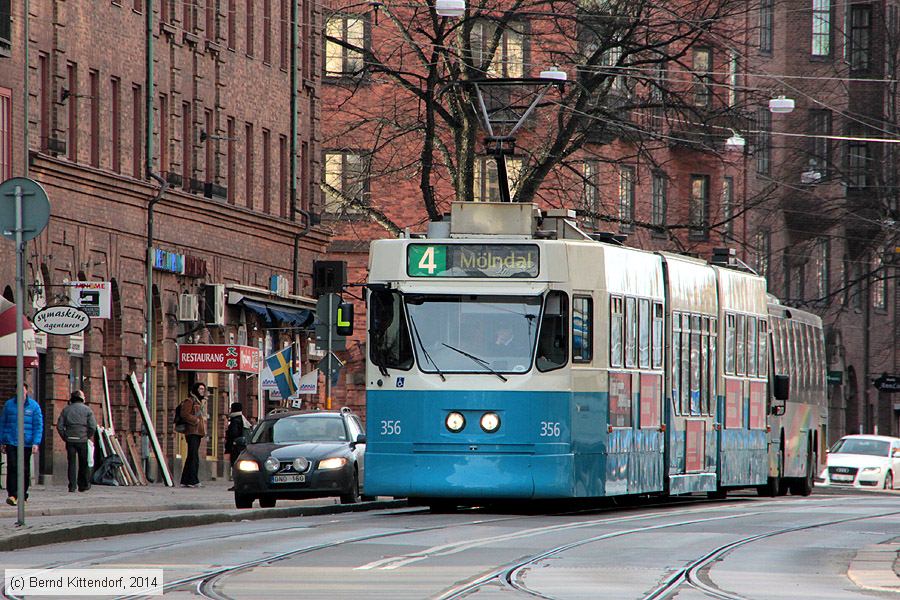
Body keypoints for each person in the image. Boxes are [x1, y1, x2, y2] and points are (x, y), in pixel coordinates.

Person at [0, 383, 44, 506]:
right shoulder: (9, 405)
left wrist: (36, 442)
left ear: (26, 392)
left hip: (26, 442)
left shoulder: (34, 407)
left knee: (24, 468)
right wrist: (2, 440)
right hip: (11, 441)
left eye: (22, 391)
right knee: (12, 467)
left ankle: (23, 494)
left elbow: (38, 425)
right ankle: (13, 494)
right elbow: (3, 423)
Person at [56, 390, 98, 493]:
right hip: (82, 439)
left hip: (70, 439)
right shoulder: (87, 410)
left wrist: (65, 436)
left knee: (71, 463)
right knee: (83, 462)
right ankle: (82, 484)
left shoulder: (66, 410)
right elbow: (92, 426)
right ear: (81, 398)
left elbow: (59, 426)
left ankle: (72, 485)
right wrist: (87, 435)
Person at [178, 382, 208, 488]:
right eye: (200, 389)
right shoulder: (190, 401)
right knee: (193, 457)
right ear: (195, 389)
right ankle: (193, 480)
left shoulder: (199, 402)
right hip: (192, 432)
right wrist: (195, 420)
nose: (202, 391)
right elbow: (184, 414)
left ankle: (185, 480)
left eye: (203, 389)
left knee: (191, 456)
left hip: (198, 432)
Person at [224, 402, 251, 491]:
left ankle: (237, 484)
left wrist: (228, 434)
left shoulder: (235, 420)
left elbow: (234, 434)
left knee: (235, 466)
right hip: (242, 446)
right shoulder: (243, 419)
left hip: (236, 447)